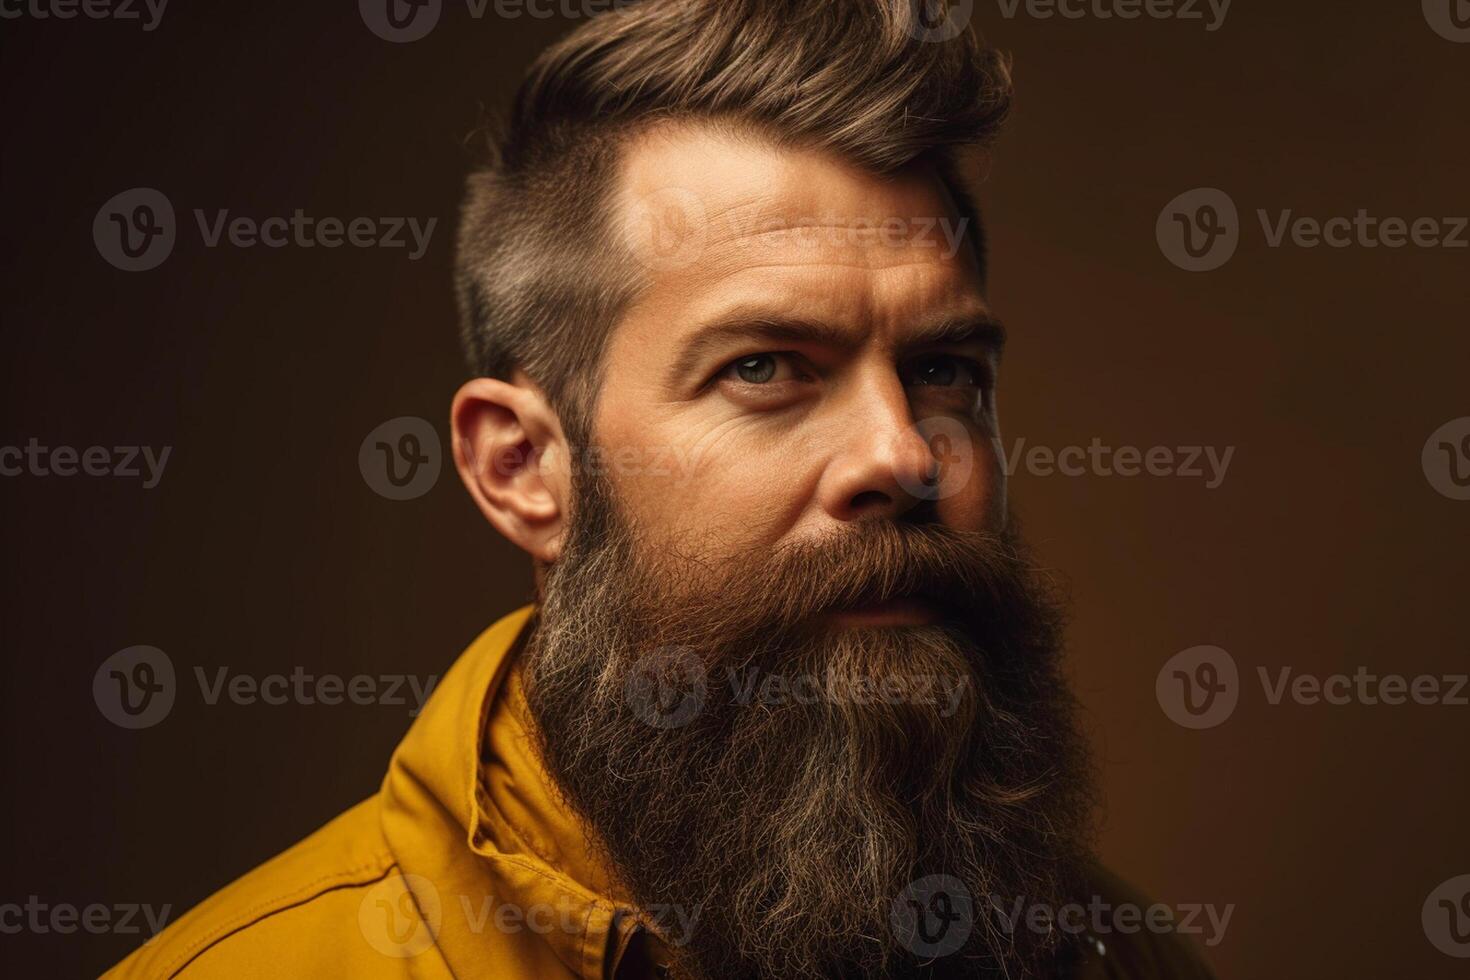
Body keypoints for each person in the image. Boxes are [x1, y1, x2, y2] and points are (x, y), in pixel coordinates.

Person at [109, 1, 1215, 976]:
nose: (904, 453)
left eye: (943, 372)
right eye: (765, 368)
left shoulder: (1118, 954)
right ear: (523, 467)